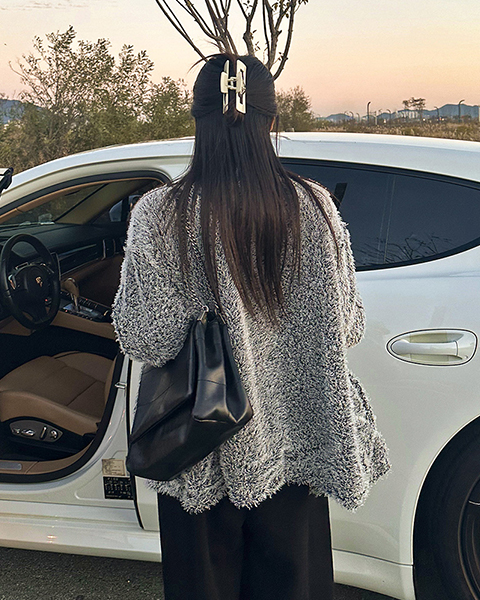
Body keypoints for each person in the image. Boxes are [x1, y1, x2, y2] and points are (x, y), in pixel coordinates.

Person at [112, 54, 391, 600]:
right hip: (296, 444)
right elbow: (347, 326)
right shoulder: (314, 208)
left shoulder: (159, 214)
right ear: (271, 121)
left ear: (198, 120)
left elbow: (147, 337)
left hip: (198, 448)